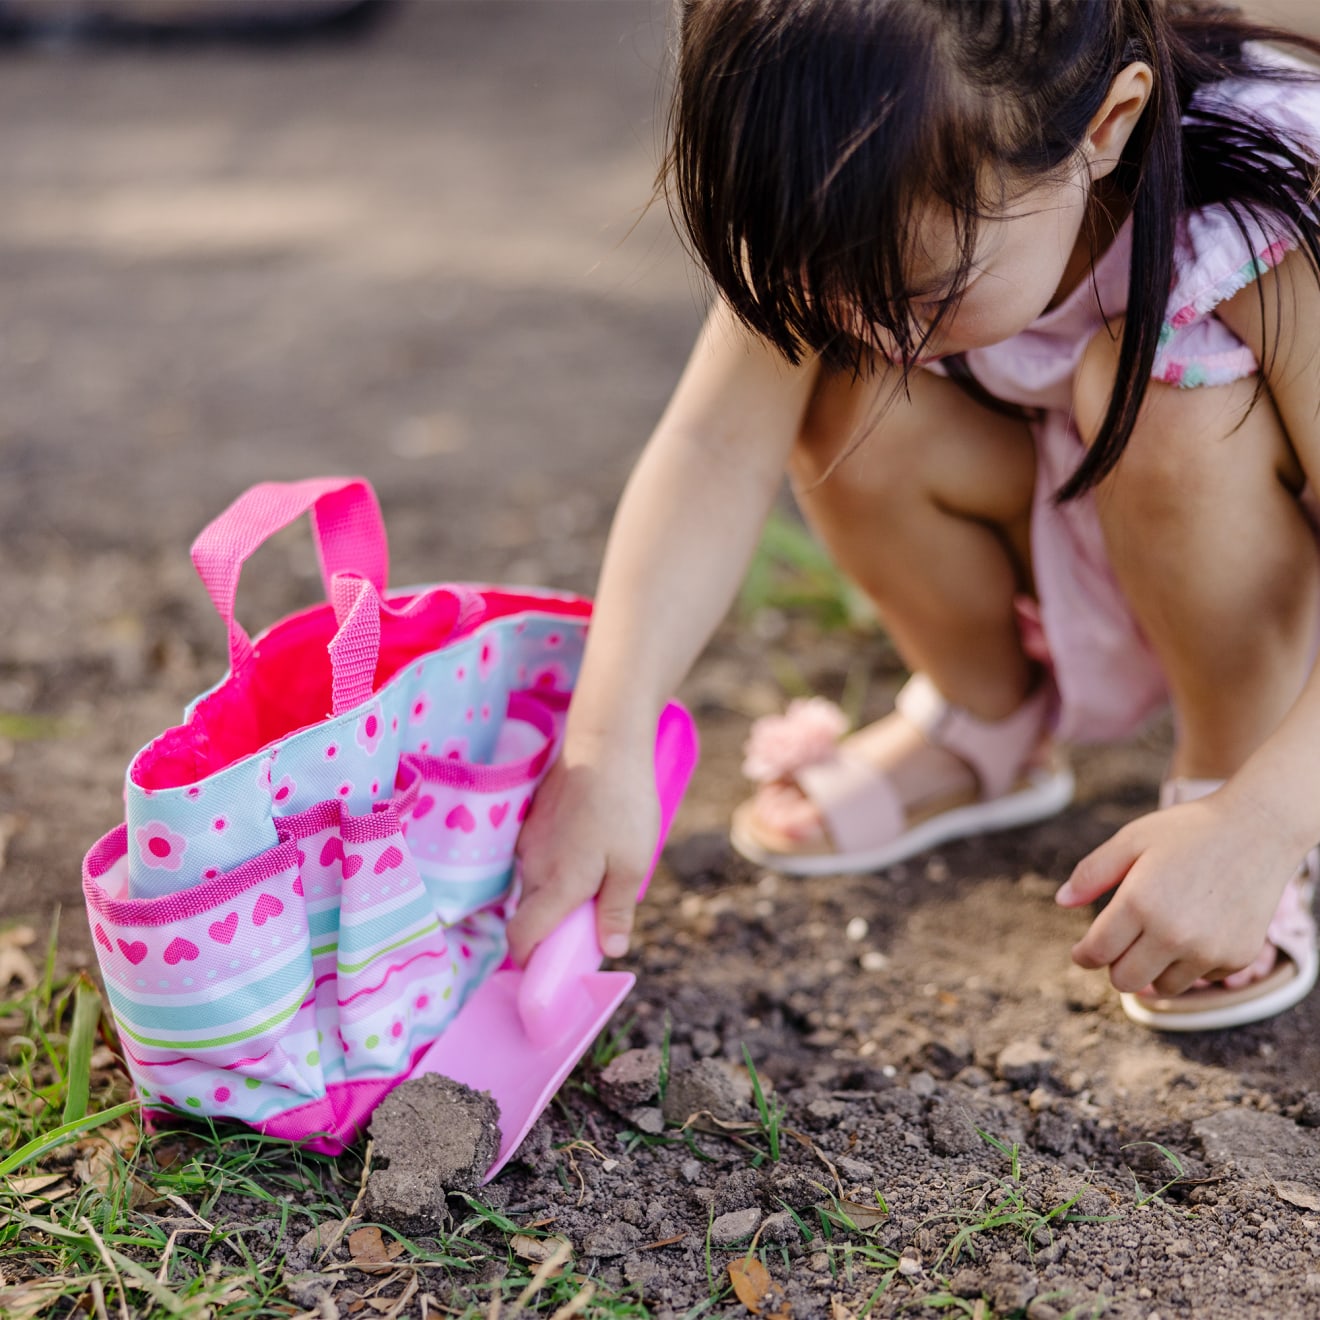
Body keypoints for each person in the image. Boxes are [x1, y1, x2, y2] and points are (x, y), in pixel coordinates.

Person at [508, 0, 1320, 1033]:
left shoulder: (1261, 217)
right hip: (1071, 512)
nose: (870, 320)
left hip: (1255, 567)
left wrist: (1263, 821)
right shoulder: (836, 197)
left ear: (1106, 129)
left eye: (929, 295)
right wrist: (606, 744)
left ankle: (1225, 787)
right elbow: (712, 451)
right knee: (849, 399)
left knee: (1154, 395)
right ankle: (985, 721)